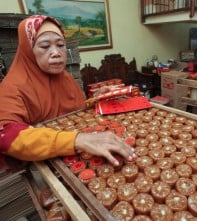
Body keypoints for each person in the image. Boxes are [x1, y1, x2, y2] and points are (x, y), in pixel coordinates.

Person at [0, 15, 136, 166]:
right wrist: (78, 140)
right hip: (42, 162)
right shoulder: (13, 86)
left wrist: (95, 99)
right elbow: (6, 135)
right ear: (29, 50)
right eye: (45, 46)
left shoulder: (64, 78)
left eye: (60, 44)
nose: (56, 53)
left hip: (75, 154)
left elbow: (72, 112)